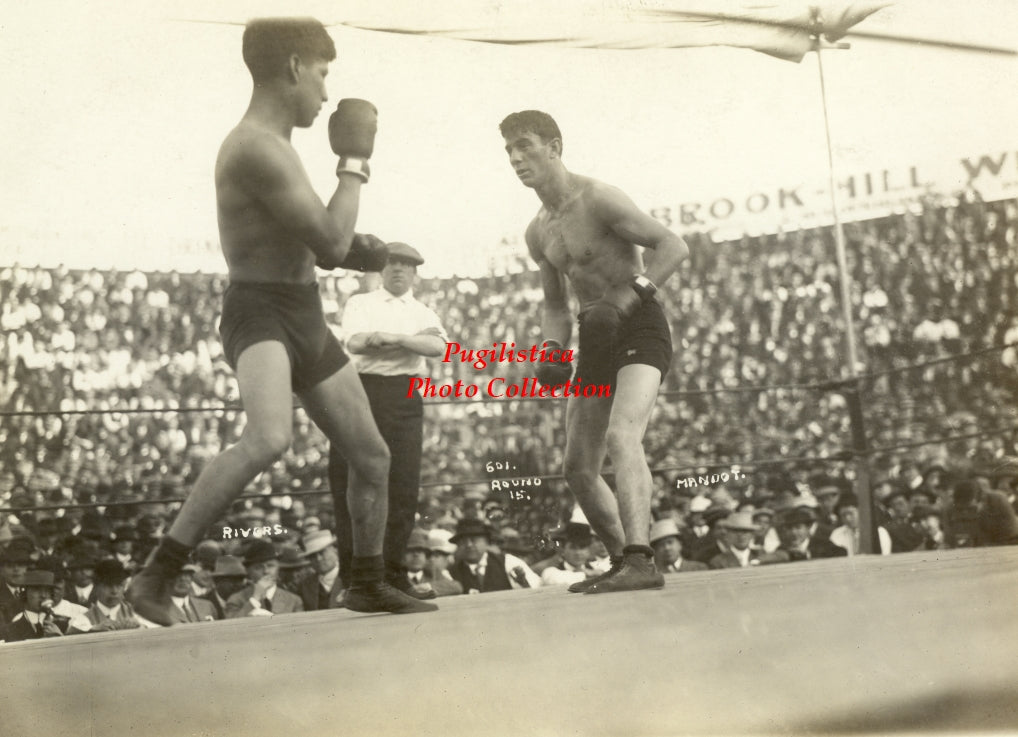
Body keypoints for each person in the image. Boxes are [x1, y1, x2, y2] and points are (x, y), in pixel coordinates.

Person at [127, 17, 436, 623]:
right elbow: (330, 242)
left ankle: (367, 582)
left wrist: (356, 247)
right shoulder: (255, 147)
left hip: (302, 311)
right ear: (294, 66)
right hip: (260, 309)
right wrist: (354, 161)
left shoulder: (277, 148)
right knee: (269, 437)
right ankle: (155, 576)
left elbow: (317, 243)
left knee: (372, 456)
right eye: (322, 74)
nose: (325, 93)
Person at [500, 110, 689, 594]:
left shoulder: (599, 198)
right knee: (578, 467)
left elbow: (673, 245)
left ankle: (642, 558)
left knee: (622, 435)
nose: (516, 158)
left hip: (639, 323)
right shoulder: (538, 231)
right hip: (594, 334)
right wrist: (550, 348)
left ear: (554, 147)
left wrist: (633, 293)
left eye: (524, 146)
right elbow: (555, 306)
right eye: (509, 150)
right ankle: (622, 558)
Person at [328, 241, 447, 596]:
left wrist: (391, 338)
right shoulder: (361, 303)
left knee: (403, 485)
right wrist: (411, 343)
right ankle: (354, 579)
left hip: (405, 394)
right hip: (361, 391)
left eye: (406, 265)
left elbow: (438, 347)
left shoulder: (423, 311)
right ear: (382, 268)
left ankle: (394, 575)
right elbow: (356, 343)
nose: (398, 269)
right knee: (352, 483)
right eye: (392, 263)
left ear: (414, 273)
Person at [447, 519, 541, 594]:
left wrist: (523, 583)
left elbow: (536, 591)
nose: (469, 545)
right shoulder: (451, 573)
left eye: (474, 540)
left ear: (487, 541)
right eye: (463, 541)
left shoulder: (508, 562)